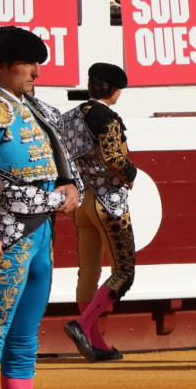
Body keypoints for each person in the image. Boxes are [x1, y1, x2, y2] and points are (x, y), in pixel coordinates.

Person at [0, 26, 86, 389]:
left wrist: (70, 189)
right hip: (4, 237)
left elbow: (66, 164)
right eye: (28, 64)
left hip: (40, 233)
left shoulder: (35, 109)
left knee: (23, 341)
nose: (37, 72)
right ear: (3, 65)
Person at [57, 63, 135, 363]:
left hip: (84, 202)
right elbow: (116, 158)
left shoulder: (68, 119)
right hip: (109, 203)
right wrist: (131, 174)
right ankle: (82, 324)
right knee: (124, 272)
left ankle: (97, 343)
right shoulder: (108, 119)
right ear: (114, 91)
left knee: (88, 272)